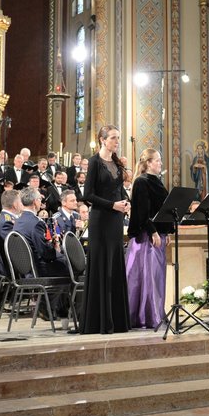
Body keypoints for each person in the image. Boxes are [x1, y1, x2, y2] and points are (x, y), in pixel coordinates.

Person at [81, 125, 131, 334]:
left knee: (115, 267)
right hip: (100, 220)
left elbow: (119, 190)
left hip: (116, 220)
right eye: (113, 138)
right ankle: (99, 322)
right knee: (102, 267)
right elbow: (88, 195)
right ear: (102, 139)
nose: (116, 142)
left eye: (118, 138)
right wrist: (113, 205)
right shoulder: (94, 162)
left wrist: (126, 202)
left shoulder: (117, 164)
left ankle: (117, 321)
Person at [126, 148, 171, 329]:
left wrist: (167, 232)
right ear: (148, 163)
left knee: (157, 277)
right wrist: (153, 232)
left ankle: (156, 313)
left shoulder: (157, 182)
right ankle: (145, 317)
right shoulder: (141, 182)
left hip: (158, 235)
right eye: (158, 160)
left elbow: (163, 210)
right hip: (146, 237)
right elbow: (142, 211)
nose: (160, 163)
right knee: (146, 278)